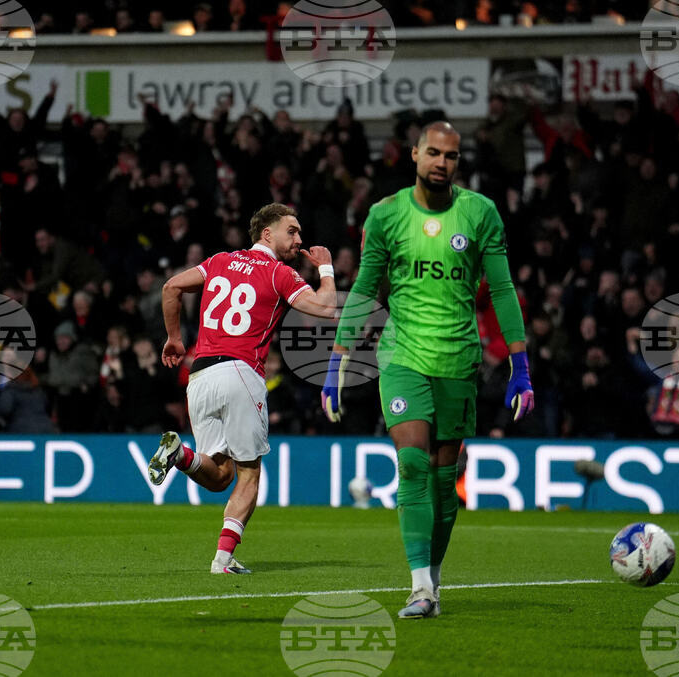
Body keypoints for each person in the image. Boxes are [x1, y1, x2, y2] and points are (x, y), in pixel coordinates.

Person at [321, 121, 534, 618]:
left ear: (459, 162)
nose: (442, 162)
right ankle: (419, 586)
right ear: (415, 155)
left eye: (451, 156)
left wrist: (520, 365)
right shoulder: (386, 214)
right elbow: (365, 288)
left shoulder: (480, 213)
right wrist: (337, 360)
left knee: (444, 480)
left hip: (458, 359)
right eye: (434, 153)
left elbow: (503, 290)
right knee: (413, 463)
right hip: (402, 357)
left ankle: (432, 581)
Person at [149, 203, 336, 574]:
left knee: (220, 475)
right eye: (292, 231)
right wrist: (326, 269)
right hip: (241, 371)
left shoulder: (219, 261)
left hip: (200, 376)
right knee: (248, 473)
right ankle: (223, 559)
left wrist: (174, 339)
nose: (298, 239)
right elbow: (326, 307)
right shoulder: (279, 273)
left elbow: (171, 287)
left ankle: (179, 455)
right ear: (267, 233)